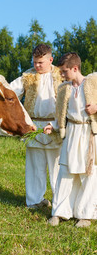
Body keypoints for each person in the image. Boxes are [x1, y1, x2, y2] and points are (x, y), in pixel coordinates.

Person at [45, 52, 97, 227]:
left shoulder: (93, 82)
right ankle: (59, 212)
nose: (62, 75)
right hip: (72, 132)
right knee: (65, 173)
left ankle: (85, 214)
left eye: (65, 71)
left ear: (75, 68)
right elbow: (61, 114)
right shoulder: (64, 89)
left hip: (89, 132)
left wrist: (96, 107)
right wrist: (53, 126)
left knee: (88, 174)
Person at [10, 44, 63, 208]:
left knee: (57, 168)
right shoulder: (28, 76)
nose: (37, 66)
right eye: (35, 62)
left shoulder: (61, 75)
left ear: (50, 60)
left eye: (40, 62)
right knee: (35, 167)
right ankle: (34, 201)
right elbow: (10, 91)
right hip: (33, 125)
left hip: (54, 125)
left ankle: (60, 203)